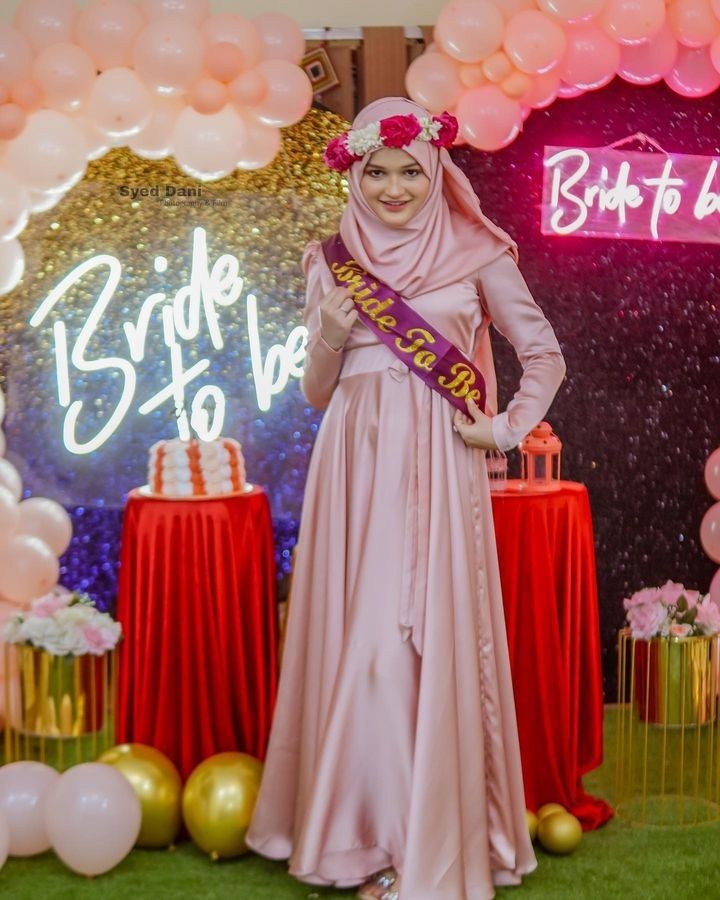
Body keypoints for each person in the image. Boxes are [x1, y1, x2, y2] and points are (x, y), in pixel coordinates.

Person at [246, 97, 566, 900]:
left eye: (409, 173)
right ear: (354, 173)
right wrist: (325, 328)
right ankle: (366, 840)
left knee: (417, 641)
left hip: (439, 460)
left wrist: (503, 430)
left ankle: (423, 842)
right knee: (366, 640)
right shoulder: (330, 258)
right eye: (377, 173)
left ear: (437, 172)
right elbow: (319, 393)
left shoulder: (477, 252)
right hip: (353, 465)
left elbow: (544, 357)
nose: (393, 189)